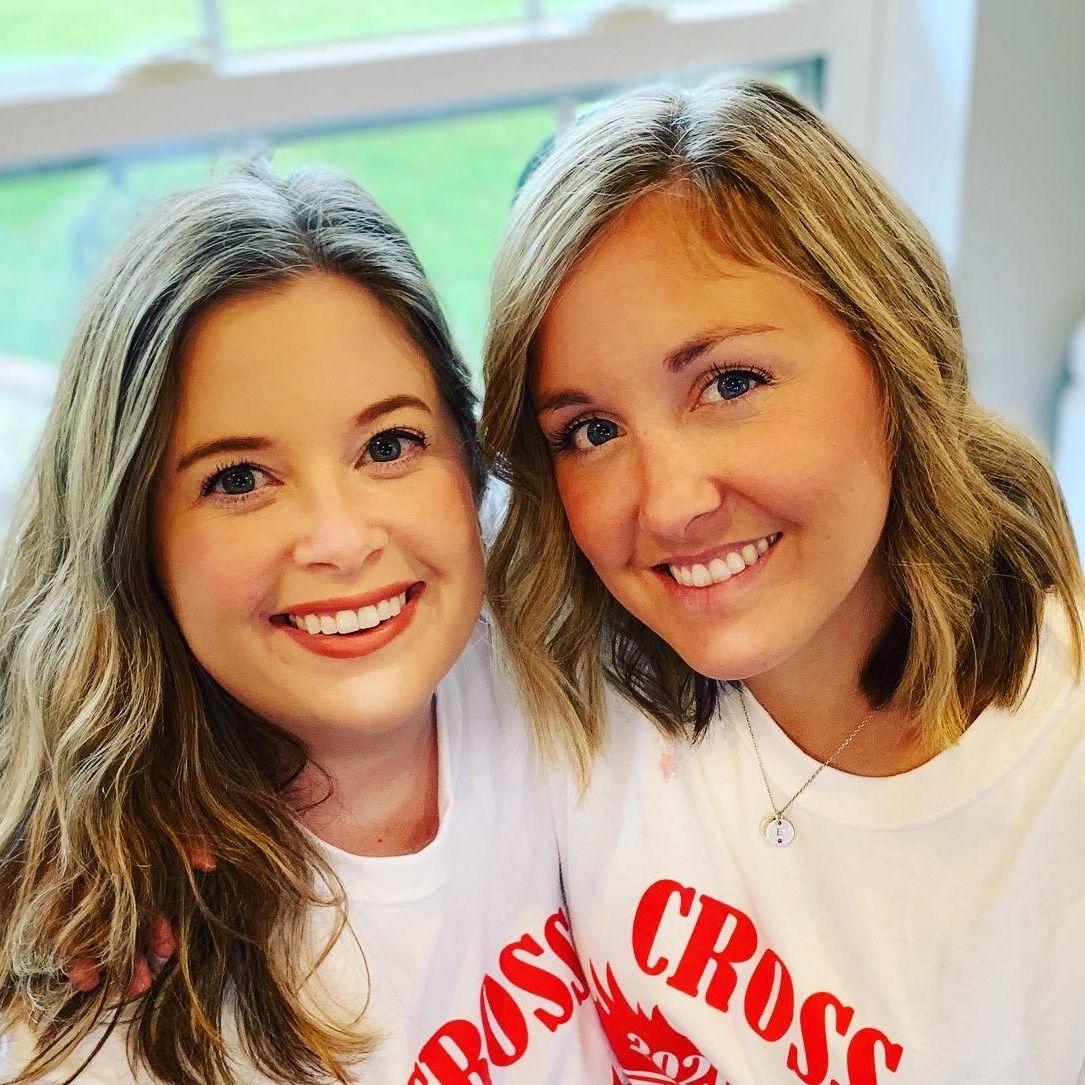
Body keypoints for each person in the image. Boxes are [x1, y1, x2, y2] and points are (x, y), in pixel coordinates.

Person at [482, 79, 1085, 1083]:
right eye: (590, 430)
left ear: (893, 353)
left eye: (729, 383)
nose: (668, 504)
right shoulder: (557, 653)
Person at [0, 163, 616, 1083]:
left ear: (468, 456)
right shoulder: (104, 1001)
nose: (340, 539)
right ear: (133, 537)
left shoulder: (551, 611)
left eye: (388, 444)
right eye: (239, 479)